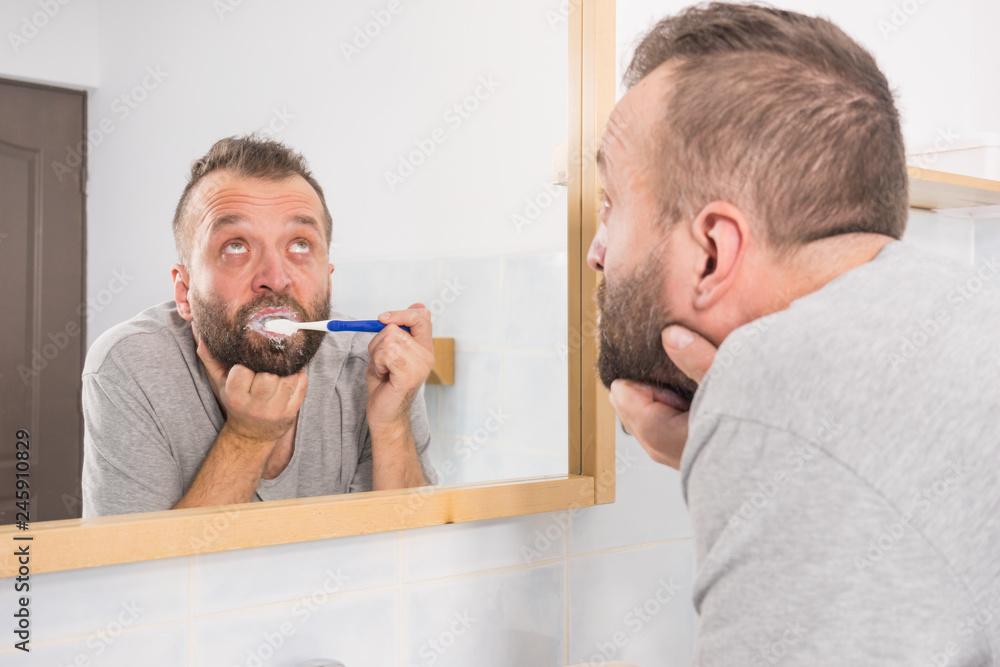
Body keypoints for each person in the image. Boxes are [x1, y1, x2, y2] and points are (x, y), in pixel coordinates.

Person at [588, 3, 1000, 664]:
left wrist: (756, 422)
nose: (595, 251)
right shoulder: (960, 312)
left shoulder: (780, 382)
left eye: (612, 202)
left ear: (713, 254)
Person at [82, 135, 437, 517]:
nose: (276, 277)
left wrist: (392, 421)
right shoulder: (131, 366)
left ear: (328, 282)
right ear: (184, 293)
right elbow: (135, 574)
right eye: (236, 246)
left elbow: (410, 561)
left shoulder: (369, 365)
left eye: (300, 245)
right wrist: (248, 437)